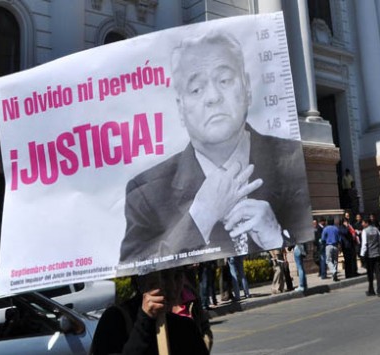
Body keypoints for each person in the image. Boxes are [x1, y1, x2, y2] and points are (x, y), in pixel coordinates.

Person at [119, 31, 311, 268]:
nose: (213, 97)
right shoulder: (145, 193)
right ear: (180, 107)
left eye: (224, 80)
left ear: (247, 87)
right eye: (196, 89)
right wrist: (200, 216)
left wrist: (276, 238)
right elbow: (134, 268)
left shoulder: (292, 161)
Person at [90, 269, 210, 354]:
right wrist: (145, 320)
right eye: (163, 276)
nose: (172, 286)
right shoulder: (115, 320)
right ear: (139, 280)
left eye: (177, 275)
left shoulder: (186, 327)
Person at [360, 219, 380, 297]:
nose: (362, 224)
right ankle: (379, 290)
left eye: (363, 222)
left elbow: (364, 244)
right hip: (377, 254)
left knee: (370, 274)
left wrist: (362, 255)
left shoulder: (365, 231)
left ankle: (371, 290)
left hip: (369, 255)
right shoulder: (376, 229)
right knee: (378, 273)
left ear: (367, 223)